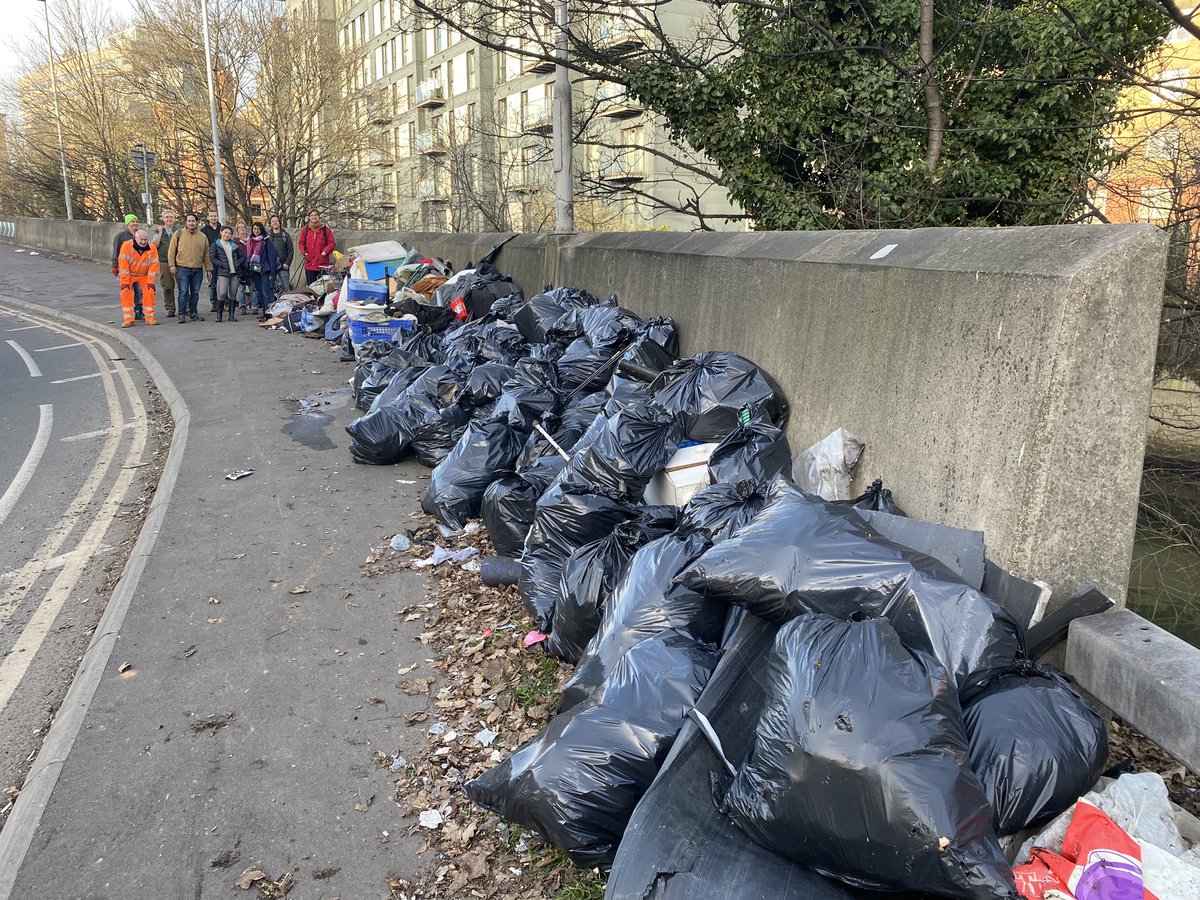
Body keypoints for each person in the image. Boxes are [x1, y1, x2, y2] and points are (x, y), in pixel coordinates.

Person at [168, 212, 212, 323]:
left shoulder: (202, 237)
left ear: (197, 222)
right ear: (186, 222)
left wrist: (208, 269)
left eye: (193, 221)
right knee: (183, 292)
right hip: (182, 268)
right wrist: (172, 265)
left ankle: (193, 312)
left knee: (195, 292)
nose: (191, 223)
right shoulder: (178, 234)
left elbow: (206, 254)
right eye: (189, 221)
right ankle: (181, 314)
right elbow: (172, 251)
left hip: (197, 269)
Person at [117, 229, 159, 327]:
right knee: (126, 293)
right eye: (141, 240)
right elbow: (123, 265)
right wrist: (125, 282)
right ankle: (128, 319)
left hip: (144, 275)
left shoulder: (152, 248)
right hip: (129, 275)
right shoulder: (127, 246)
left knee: (150, 292)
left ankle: (150, 318)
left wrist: (150, 281)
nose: (144, 242)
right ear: (135, 238)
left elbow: (154, 265)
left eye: (145, 240)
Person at [246, 221, 280, 320]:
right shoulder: (250, 241)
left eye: (258, 228)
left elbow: (272, 257)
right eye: (254, 229)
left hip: (265, 269)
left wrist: (272, 272)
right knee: (259, 292)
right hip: (255, 270)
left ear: (261, 230)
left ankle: (268, 312)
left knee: (265, 291)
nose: (256, 230)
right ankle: (264, 311)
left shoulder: (266, 241)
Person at [111, 214, 143, 320]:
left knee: (139, 291)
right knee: (127, 292)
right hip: (125, 270)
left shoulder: (141, 236)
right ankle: (129, 313)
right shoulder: (120, 237)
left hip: (138, 269)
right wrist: (114, 265)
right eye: (132, 222)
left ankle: (139, 310)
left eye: (136, 221)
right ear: (127, 223)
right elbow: (115, 252)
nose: (135, 223)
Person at [210, 224, 245, 322]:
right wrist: (221, 264)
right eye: (225, 232)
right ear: (221, 233)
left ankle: (231, 315)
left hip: (235, 273)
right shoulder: (216, 245)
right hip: (223, 272)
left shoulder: (234, 245)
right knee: (222, 293)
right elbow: (212, 258)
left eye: (229, 233)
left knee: (233, 294)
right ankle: (219, 315)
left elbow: (242, 256)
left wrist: (237, 263)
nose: (227, 235)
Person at [298, 210, 335, 285]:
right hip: (309, 264)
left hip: (322, 264)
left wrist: (325, 252)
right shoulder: (305, 229)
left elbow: (332, 243)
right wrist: (305, 253)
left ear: (319, 216)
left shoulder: (326, 230)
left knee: (323, 289)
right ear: (309, 217)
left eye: (315, 215)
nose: (314, 217)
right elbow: (301, 243)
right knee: (311, 288)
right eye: (312, 215)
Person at [152, 209, 177, 319]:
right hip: (164, 261)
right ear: (163, 219)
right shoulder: (158, 231)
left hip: (178, 261)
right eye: (167, 217)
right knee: (167, 286)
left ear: (174, 219)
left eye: (171, 217)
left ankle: (186, 308)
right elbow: (154, 246)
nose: (169, 219)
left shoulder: (179, 231)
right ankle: (170, 308)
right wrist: (161, 233)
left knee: (184, 286)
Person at [200, 209, 222, 313]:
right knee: (212, 282)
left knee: (223, 282)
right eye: (211, 216)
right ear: (208, 218)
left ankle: (224, 302)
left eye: (215, 216)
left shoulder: (222, 229)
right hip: (210, 260)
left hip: (222, 259)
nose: (213, 218)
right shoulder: (203, 231)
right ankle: (213, 302)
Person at [268, 214, 293, 295]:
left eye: (276, 221)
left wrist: (287, 263)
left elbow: (291, 250)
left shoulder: (285, 235)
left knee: (286, 288)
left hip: (283, 266)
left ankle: (286, 305)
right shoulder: (267, 237)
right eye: (273, 221)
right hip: (271, 267)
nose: (275, 223)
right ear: (270, 223)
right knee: (272, 288)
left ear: (279, 223)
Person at [234, 221, 253, 312]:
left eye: (243, 227)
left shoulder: (251, 240)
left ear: (246, 228)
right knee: (241, 288)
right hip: (240, 267)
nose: (241, 229)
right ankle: (242, 305)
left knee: (252, 288)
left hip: (250, 266)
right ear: (237, 229)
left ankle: (254, 305)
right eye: (239, 227)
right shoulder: (235, 241)